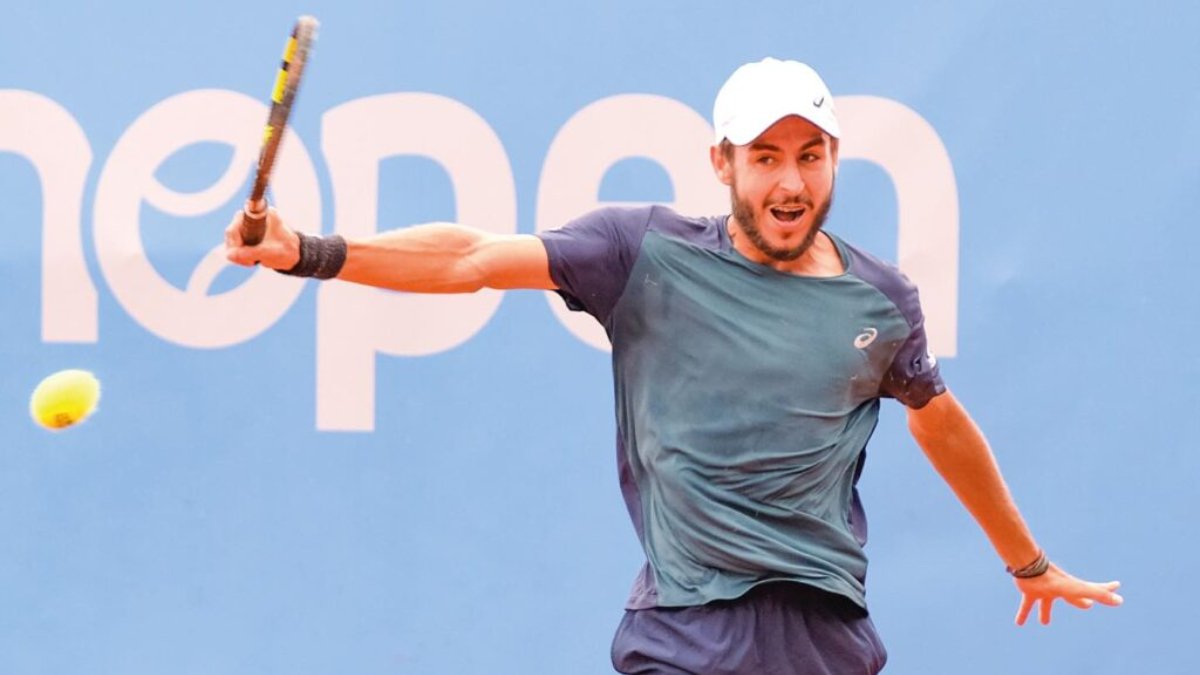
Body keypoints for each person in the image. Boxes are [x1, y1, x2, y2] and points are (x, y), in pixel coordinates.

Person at [225, 57, 1122, 674]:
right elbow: (469, 259)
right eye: (765, 157)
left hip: (825, 637)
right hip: (686, 631)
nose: (790, 183)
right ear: (721, 162)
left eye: (810, 156)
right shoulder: (641, 250)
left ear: (834, 160)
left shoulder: (880, 302)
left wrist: (1027, 560)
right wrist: (307, 249)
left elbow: (939, 419)